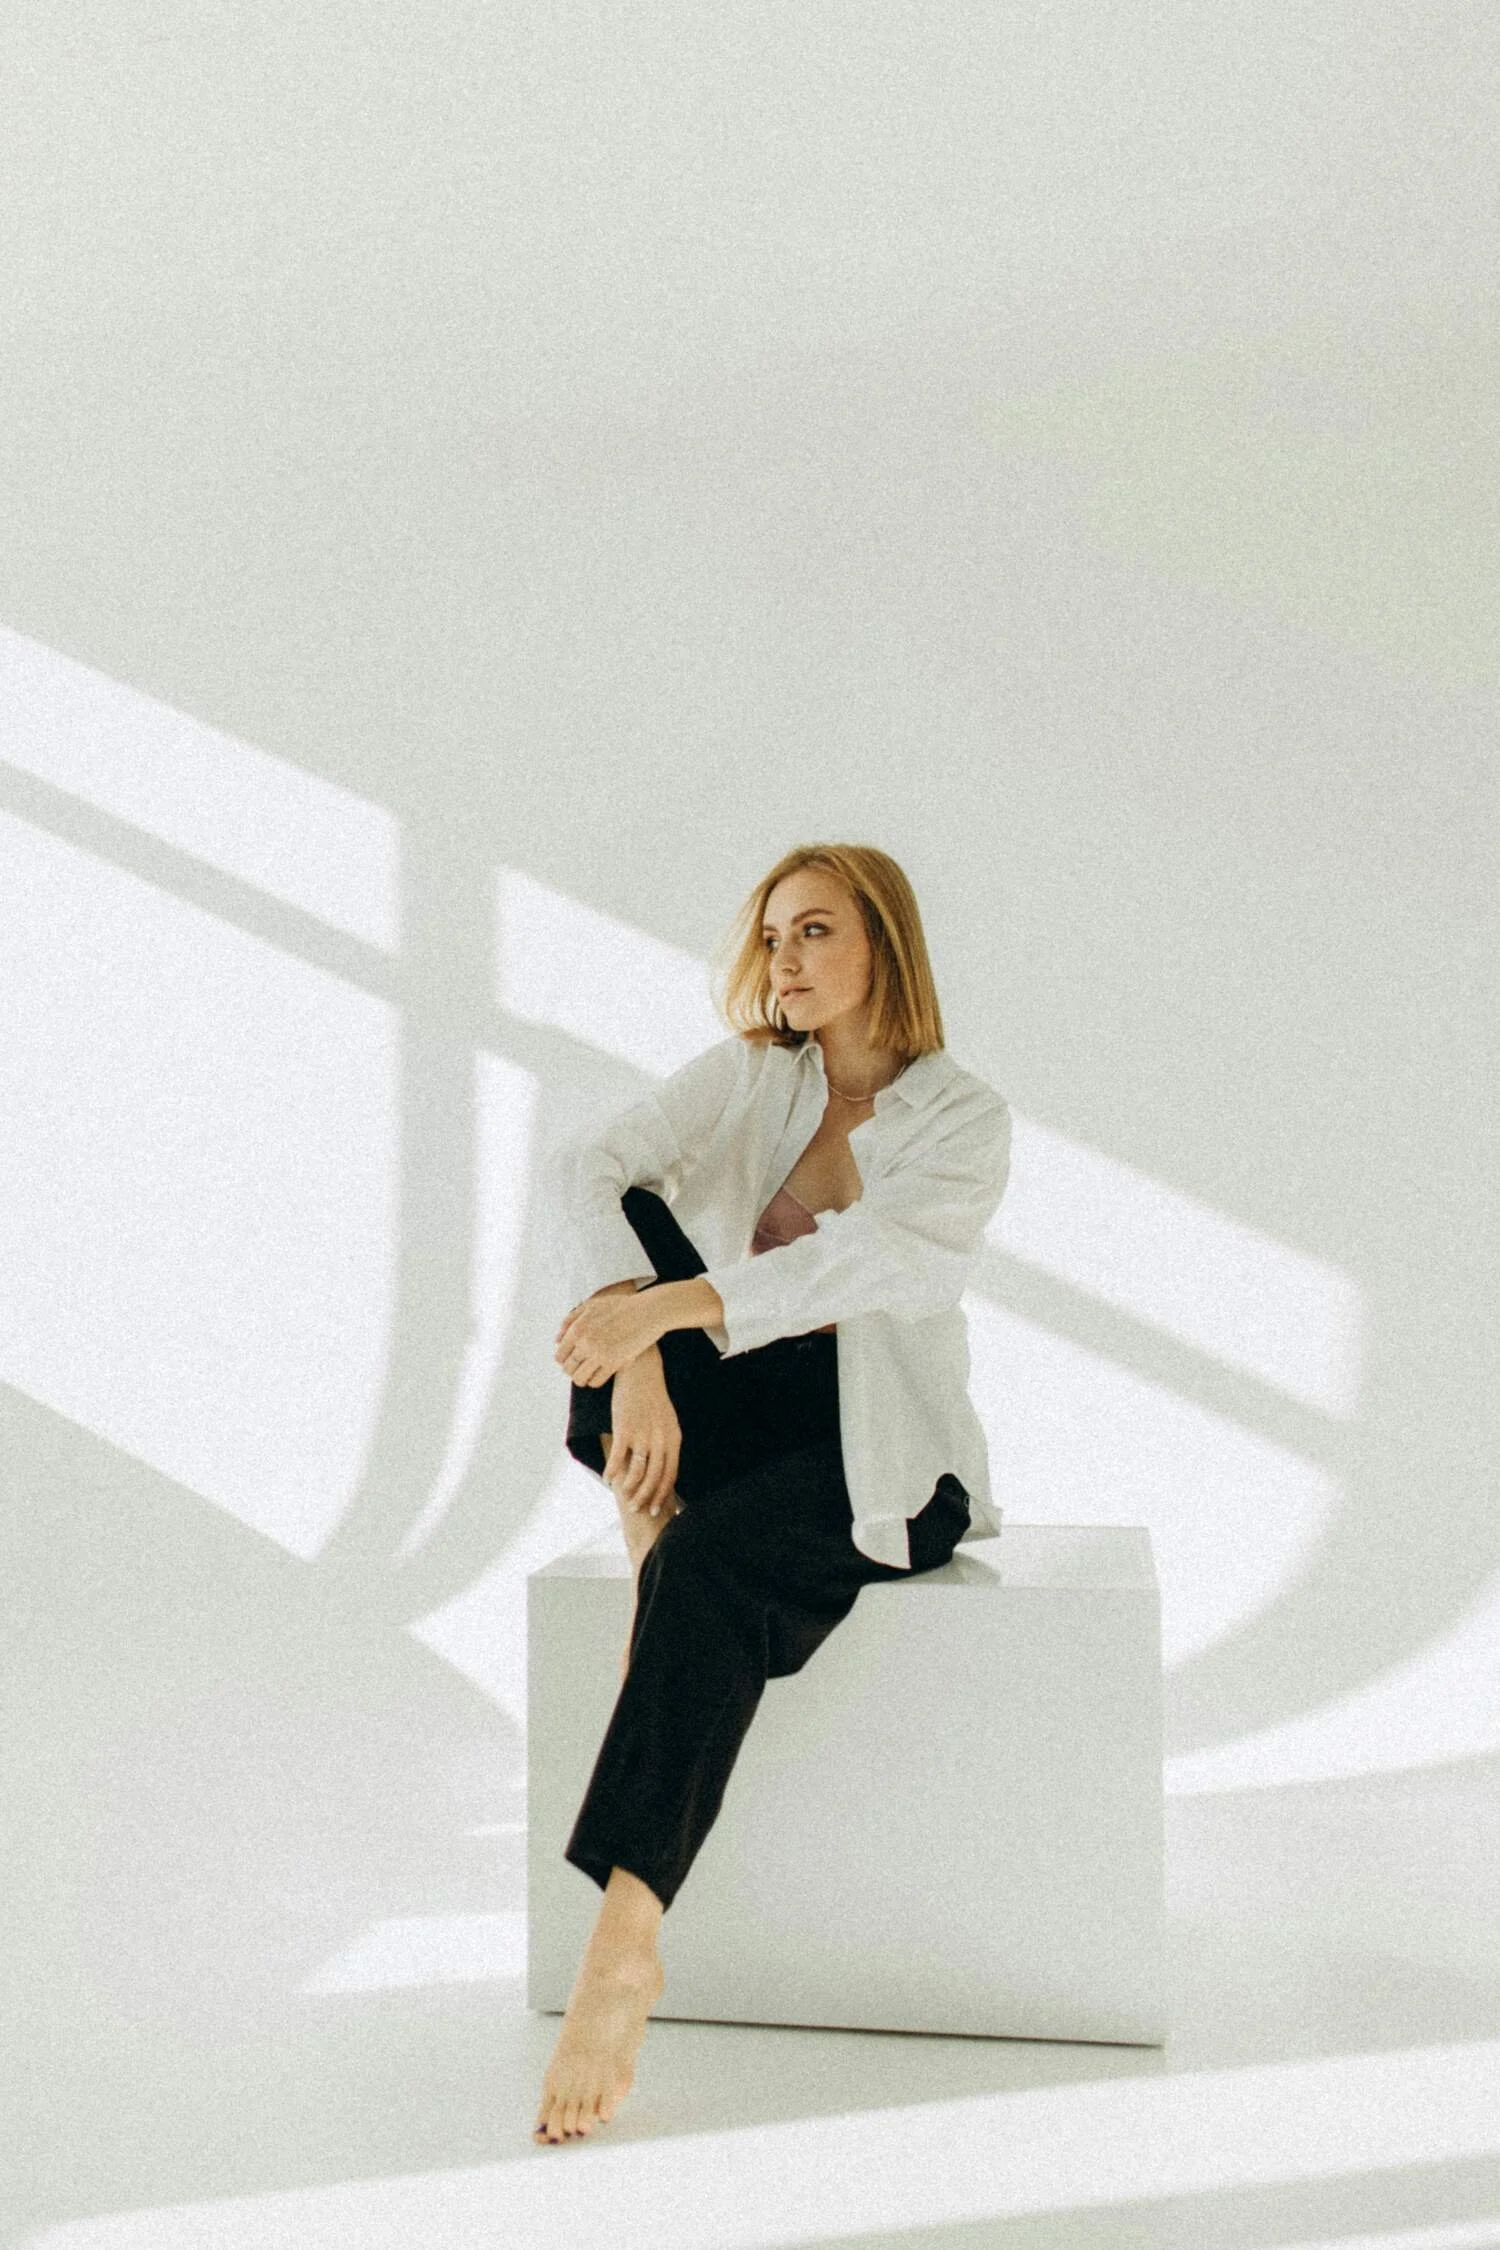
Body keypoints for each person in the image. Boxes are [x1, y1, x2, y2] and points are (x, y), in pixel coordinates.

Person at [532, 842, 1012, 2145]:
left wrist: (679, 1308)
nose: (786, 960)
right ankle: (659, 1542)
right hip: (742, 1413)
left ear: (883, 950)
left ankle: (622, 1944)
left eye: (816, 933)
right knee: (605, 1312)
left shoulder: (959, 1117)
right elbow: (592, 1168)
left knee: (705, 1572)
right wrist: (641, 1356)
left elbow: (877, 1266)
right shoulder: (756, 1071)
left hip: (880, 1458)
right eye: (774, 936)